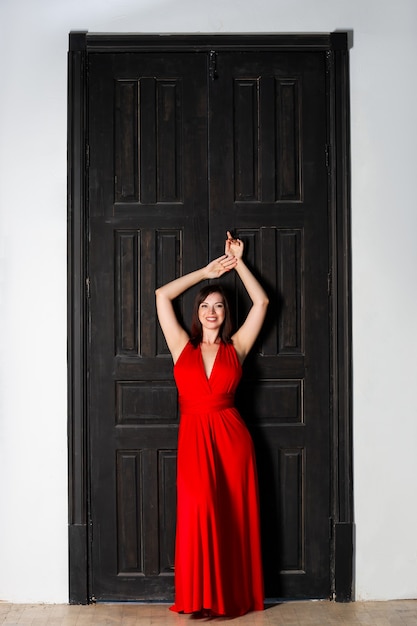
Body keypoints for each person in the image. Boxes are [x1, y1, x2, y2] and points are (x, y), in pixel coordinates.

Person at [155, 231, 269, 617]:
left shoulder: (236, 347)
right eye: (206, 304)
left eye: (219, 306)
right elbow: (161, 296)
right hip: (193, 439)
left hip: (231, 439)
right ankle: (199, 598)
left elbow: (263, 301)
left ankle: (228, 599)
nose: (211, 311)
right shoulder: (180, 347)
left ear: (225, 314)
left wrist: (240, 265)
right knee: (197, 514)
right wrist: (205, 273)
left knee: (229, 519)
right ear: (198, 310)